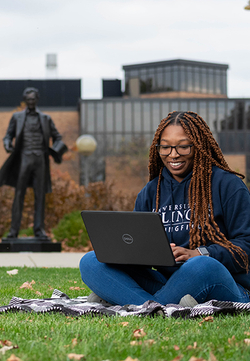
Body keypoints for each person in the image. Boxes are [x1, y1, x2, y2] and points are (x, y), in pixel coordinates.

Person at [79, 111, 250, 307]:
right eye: (165, 147)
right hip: (168, 282)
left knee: (202, 265)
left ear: (199, 146)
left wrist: (199, 253)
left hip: (226, 283)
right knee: (91, 261)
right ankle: (155, 308)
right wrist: (145, 252)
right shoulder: (151, 191)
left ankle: (130, 301)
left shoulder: (227, 185)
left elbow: (246, 245)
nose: (173, 154)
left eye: (183, 146)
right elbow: (135, 245)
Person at [0, 87, 67, 240]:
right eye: (28, 99)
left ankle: (39, 230)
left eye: (33, 99)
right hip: (23, 157)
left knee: (40, 195)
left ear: (37, 100)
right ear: (25, 100)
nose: (30, 102)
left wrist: (55, 151)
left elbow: (58, 137)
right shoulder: (16, 117)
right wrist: (7, 144)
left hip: (40, 160)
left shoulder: (46, 118)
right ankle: (13, 231)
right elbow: (8, 135)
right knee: (19, 194)